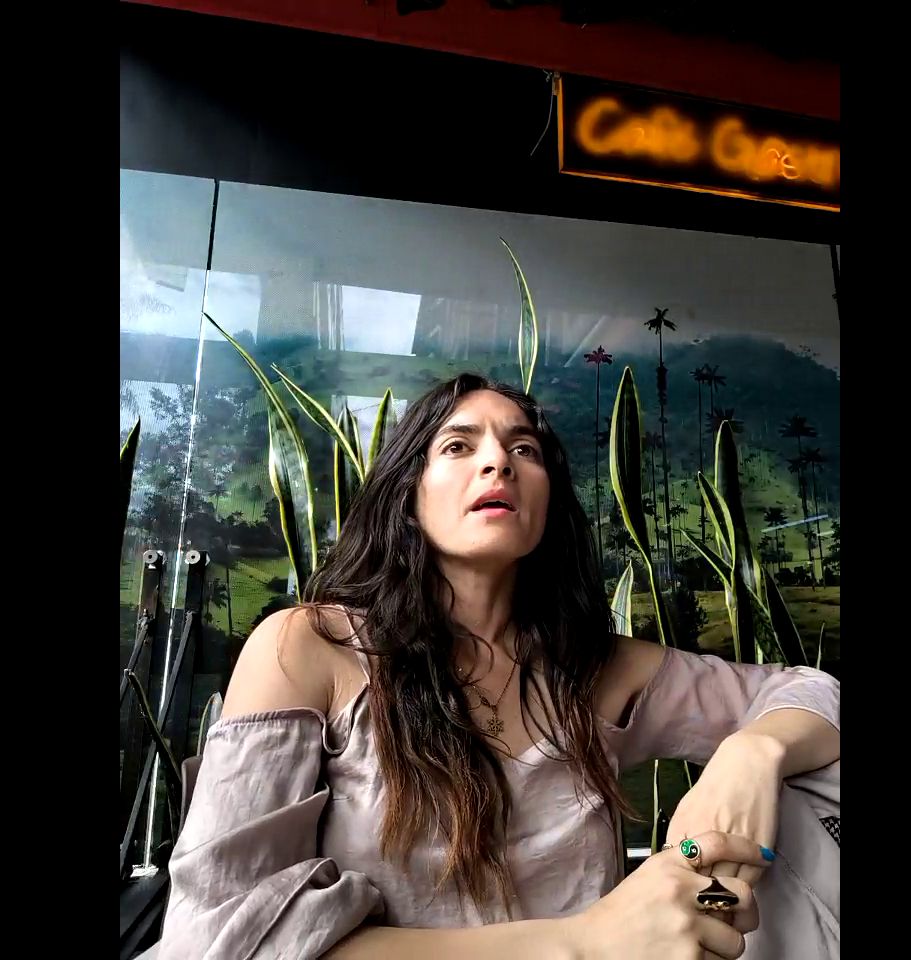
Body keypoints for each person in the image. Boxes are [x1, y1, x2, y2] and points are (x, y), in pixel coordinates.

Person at [158, 374, 840, 960]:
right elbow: (215, 937)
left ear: (547, 500)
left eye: (524, 449)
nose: (498, 463)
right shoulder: (311, 647)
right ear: (408, 492)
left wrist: (752, 752)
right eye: (458, 446)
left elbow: (810, 693)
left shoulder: (595, 666)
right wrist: (581, 942)